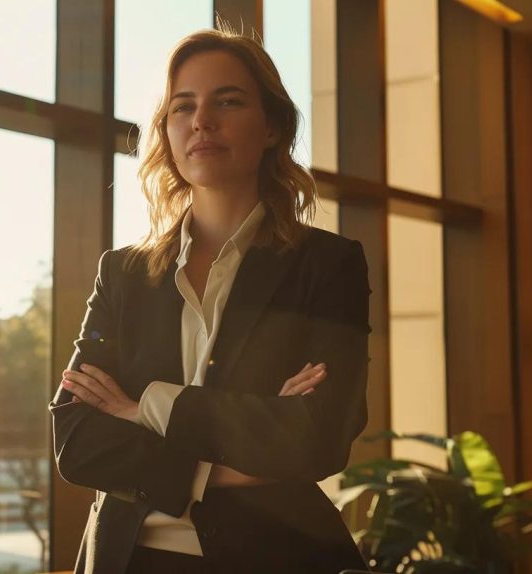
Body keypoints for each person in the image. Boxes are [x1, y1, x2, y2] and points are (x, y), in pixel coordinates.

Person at [50, 25, 372, 574]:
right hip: (127, 560)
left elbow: (317, 439)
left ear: (271, 127)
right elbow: (77, 440)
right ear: (167, 132)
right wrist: (219, 466)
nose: (202, 121)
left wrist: (142, 406)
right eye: (183, 107)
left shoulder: (326, 265)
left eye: (228, 101)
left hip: (277, 557)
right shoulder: (123, 273)